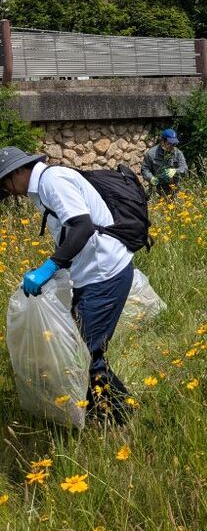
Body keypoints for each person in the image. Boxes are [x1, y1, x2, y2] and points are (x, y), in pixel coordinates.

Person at [0, 147, 134, 424]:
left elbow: (83, 227)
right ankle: (104, 413)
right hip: (92, 275)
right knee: (81, 349)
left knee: (84, 354)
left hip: (104, 275)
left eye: (5, 183)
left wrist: (48, 267)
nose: (9, 192)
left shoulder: (53, 182)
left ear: (17, 172)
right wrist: (56, 270)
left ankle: (122, 418)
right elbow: (71, 231)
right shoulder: (45, 186)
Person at [141, 128, 187, 194]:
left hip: (174, 189)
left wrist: (175, 171)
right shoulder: (151, 154)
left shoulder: (178, 153)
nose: (171, 146)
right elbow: (144, 169)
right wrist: (151, 178)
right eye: (169, 143)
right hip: (157, 191)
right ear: (162, 141)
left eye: (174, 144)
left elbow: (185, 169)